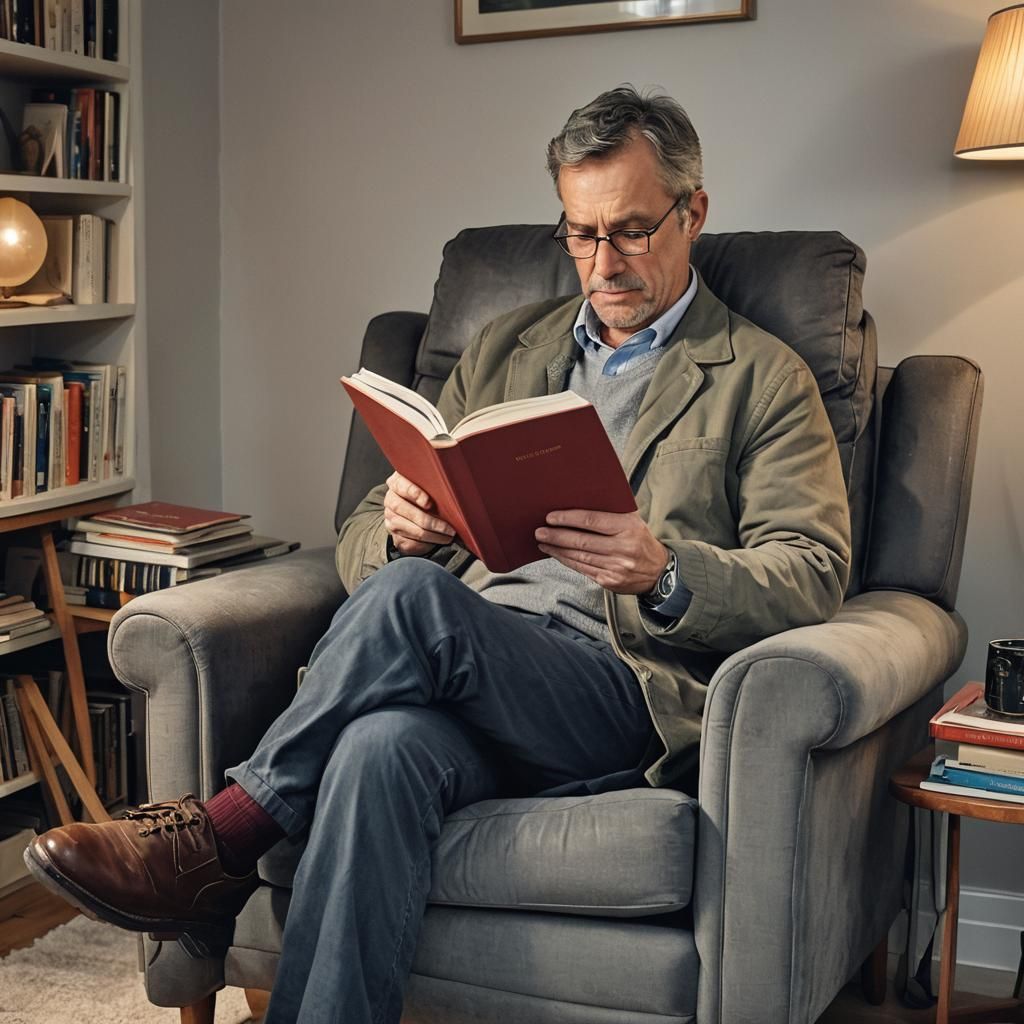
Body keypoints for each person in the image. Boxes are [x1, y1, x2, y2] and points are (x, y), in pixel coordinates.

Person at [23, 85, 851, 1023]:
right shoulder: (506, 348)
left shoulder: (765, 378)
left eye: (630, 230)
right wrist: (401, 527)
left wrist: (663, 572)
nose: (602, 263)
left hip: (617, 687)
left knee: (417, 601)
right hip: (458, 667)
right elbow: (364, 530)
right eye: (579, 234)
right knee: (380, 747)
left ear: (692, 212)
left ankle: (217, 844)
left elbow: (813, 568)